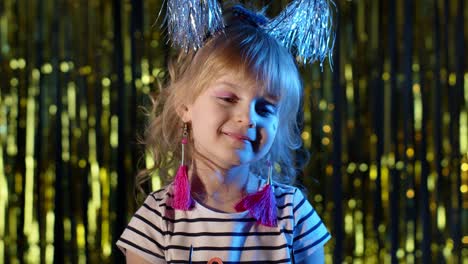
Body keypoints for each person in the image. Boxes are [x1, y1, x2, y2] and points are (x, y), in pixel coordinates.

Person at [117, 3, 333, 263]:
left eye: (265, 108)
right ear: (185, 105)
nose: (248, 118)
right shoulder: (157, 219)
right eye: (228, 98)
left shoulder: (292, 212)